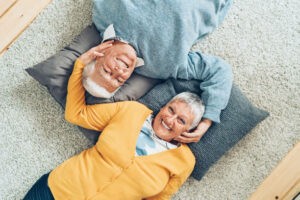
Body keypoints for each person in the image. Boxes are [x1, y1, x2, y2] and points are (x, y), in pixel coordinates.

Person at [24, 43, 205, 199]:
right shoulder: (131, 110)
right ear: (164, 106)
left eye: (181, 120)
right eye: (170, 109)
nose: (169, 119)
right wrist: (80, 65)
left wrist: (208, 122)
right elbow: (76, 114)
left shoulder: (184, 161)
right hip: (59, 191)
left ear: (188, 130)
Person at [80, 0, 234, 142]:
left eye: (107, 71)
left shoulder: (104, 15)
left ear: (97, 55)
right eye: (119, 80)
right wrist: (206, 122)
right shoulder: (160, 68)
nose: (118, 72)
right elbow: (220, 71)